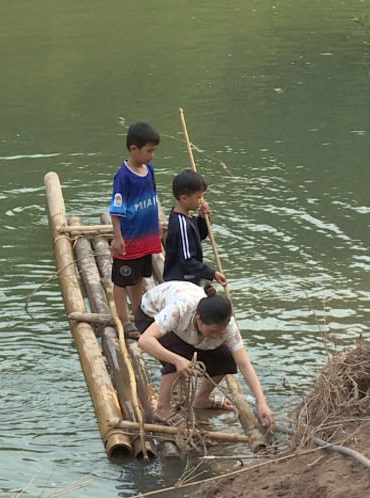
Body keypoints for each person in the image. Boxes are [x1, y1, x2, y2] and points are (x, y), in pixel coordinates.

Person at [135, 281, 275, 429]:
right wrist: (177, 360)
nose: (215, 336)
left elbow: (244, 364)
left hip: (185, 324)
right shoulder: (180, 310)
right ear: (198, 321)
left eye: (220, 332)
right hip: (150, 314)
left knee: (224, 357)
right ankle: (162, 410)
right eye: (212, 331)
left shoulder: (228, 327)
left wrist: (262, 403)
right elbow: (144, 341)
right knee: (179, 354)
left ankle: (201, 399)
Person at [109, 121, 162, 339]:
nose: (151, 155)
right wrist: (118, 236)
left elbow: (153, 197)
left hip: (146, 237)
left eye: (153, 151)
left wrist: (157, 227)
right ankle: (124, 320)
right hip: (130, 238)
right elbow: (116, 208)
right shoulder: (123, 176)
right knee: (122, 281)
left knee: (139, 277)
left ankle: (137, 311)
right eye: (148, 151)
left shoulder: (148, 170)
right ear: (134, 148)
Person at [163, 169, 227, 287]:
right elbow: (187, 259)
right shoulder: (181, 223)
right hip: (181, 281)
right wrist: (211, 274)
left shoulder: (187, 216)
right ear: (184, 198)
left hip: (189, 279)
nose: (201, 201)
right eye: (199, 197)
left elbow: (197, 236)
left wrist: (202, 219)